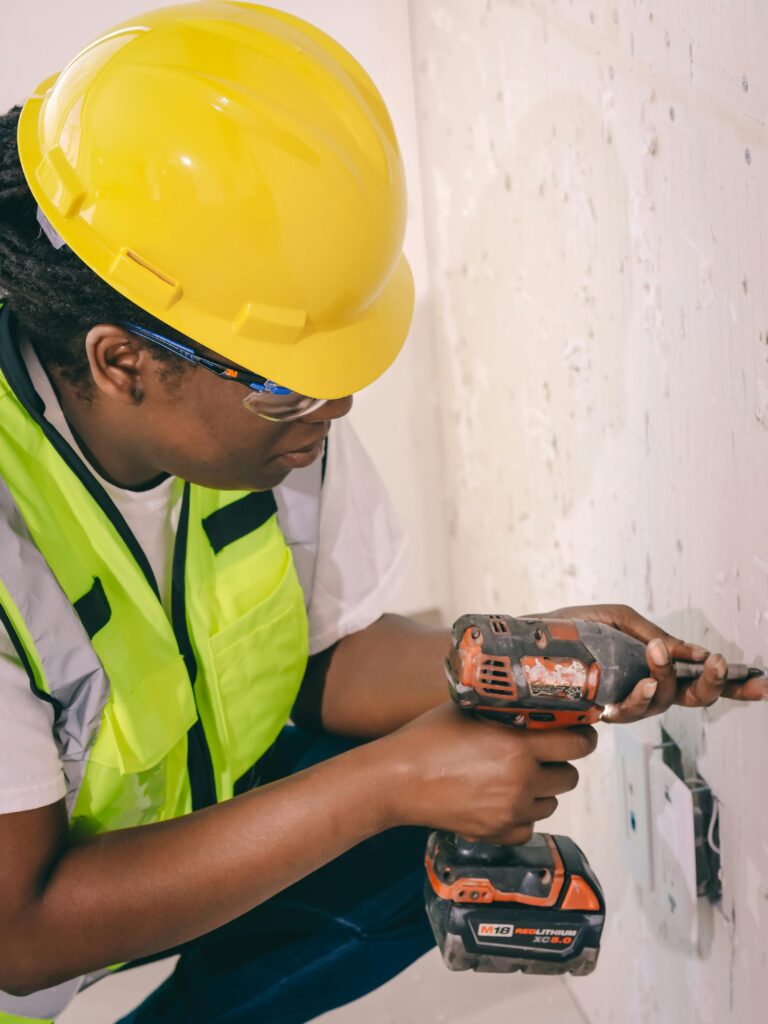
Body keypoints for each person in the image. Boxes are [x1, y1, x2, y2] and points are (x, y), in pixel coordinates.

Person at [0, 4, 762, 1023]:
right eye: (292, 385)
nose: (336, 407)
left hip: (167, 841)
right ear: (121, 360)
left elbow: (316, 659)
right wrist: (389, 783)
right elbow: (24, 930)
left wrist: (526, 652)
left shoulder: (261, 403)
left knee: (439, 826)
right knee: (414, 803)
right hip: (43, 959)